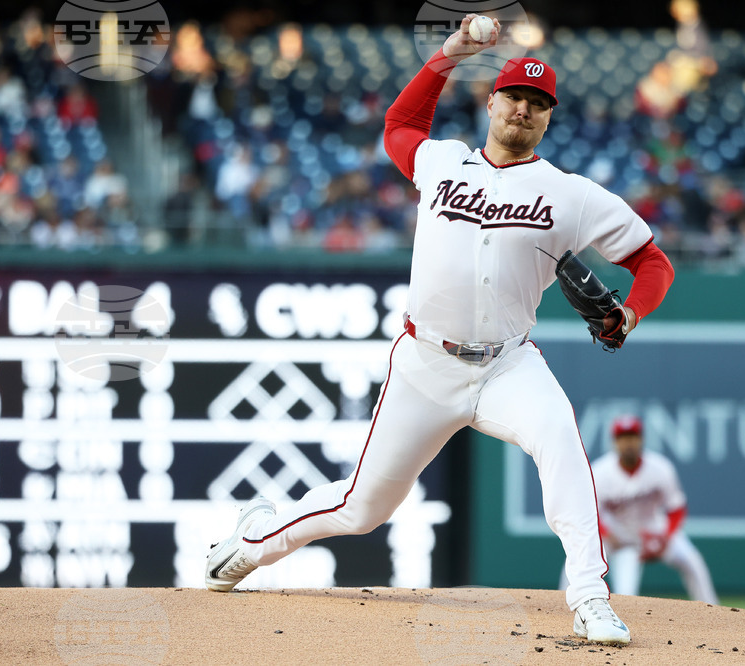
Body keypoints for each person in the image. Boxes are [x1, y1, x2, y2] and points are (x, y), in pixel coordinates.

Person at [204, 15, 675, 646]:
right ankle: (256, 538)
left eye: (538, 104)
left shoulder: (572, 195)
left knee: (561, 437)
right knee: (362, 509)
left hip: (507, 365)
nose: (525, 110)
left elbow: (652, 261)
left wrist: (632, 313)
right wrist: (447, 56)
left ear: (548, 118)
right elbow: (399, 126)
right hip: (426, 364)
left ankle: (590, 596)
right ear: (492, 102)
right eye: (515, 97)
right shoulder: (442, 162)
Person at [577, 415, 718, 604]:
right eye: (623, 438)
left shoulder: (660, 468)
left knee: (692, 561)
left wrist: (665, 537)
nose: (628, 443)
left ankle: (713, 610)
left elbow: (677, 508)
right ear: (615, 442)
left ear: (641, 439)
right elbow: (589, 512)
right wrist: (608, 534)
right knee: (591, 566)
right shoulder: (600, 472)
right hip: (617, 534)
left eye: (632, 437)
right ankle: (565, 606)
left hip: (654, 528)